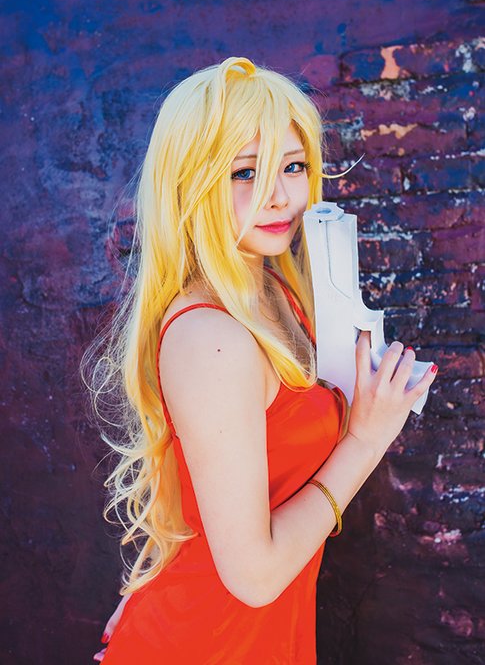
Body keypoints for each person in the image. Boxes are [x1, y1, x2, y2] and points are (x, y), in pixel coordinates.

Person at [84, 56, 438, 664]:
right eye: (245, 172)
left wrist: (156, 574)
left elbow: (210, 482)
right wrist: (365, 439)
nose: (279, 197)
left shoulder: (273, 292)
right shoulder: (211, 338)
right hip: (206, 645)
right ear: (190, 182)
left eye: (293, 166)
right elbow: (254, 578)